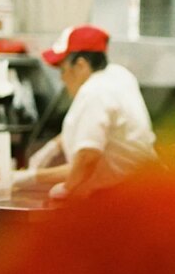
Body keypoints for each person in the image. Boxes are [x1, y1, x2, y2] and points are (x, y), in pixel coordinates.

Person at [13, 25, 158, 200]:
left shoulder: (93, 92)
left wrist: (66, 187)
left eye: (63, 69)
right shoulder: (118, 75)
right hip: (143, 185)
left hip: (118, 196)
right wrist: (53, 146)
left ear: (81, 65)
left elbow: (88, 156)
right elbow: (95, 127)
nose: (62, 78)